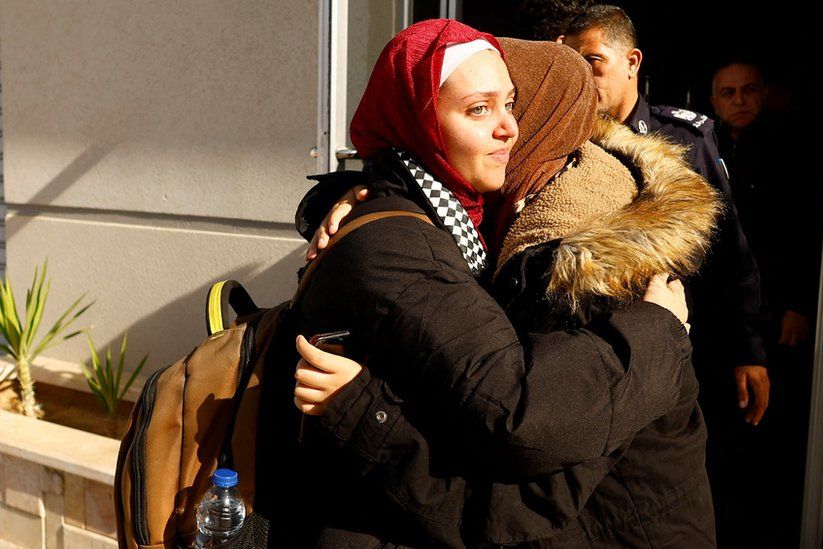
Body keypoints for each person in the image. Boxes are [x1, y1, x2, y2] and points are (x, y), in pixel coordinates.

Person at [250, 21, 707, 548]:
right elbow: (516, 417)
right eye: (479, 108)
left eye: (512, 104)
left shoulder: (550, 243)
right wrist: (661, 328)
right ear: (419, 122)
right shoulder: (416, 241)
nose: (510, 128)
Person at [558, 4, 771, 430]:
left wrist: (748, 350)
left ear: (632, 62)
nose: (582, 75)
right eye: (572, 63)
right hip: (597, 352)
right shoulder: (562, 140)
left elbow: (729, 249)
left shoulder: (684, 140)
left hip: (686, 345)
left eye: (593, 62)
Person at [710, 60, 823, 547]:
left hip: (778, 306)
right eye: (729, 92)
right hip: (725, 310)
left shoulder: (793, 150)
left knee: (771, 417)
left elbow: (807, 231)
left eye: (749, 90)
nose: (740, 100)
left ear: (765, 94)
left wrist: (800, 302)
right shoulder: (703, 148)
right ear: (713, 101)